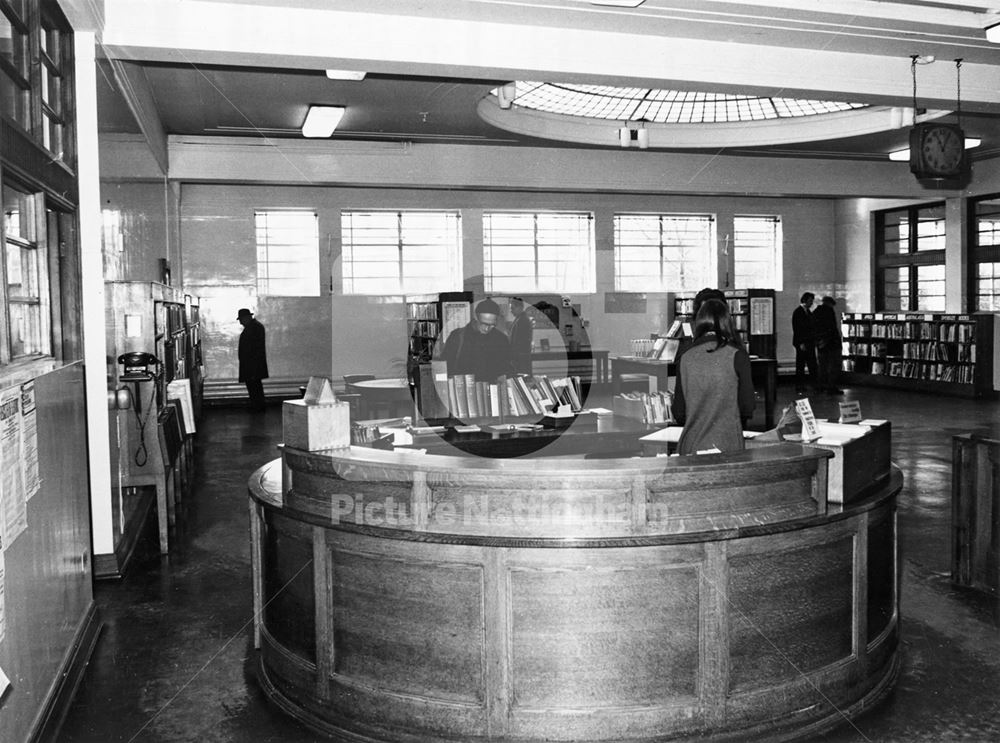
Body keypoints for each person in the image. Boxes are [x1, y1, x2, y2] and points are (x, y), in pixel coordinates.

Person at [672, 298, 755, 456]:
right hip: (727, 446)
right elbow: (747, 407)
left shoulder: (685, 357)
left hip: (690, 446)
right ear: (727, 322)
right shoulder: (738, 356)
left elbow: (679, 411)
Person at [442, 297, 513, 381]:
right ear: (475, 317)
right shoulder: (457, 337)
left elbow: (506, 370)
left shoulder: (501, 339)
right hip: (463, 390)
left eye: (492, 325)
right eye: (484, 324)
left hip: (492, 390)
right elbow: (445, 368)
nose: (487, 329)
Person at [237, 308, 268, 412]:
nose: (240, 322)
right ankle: (257, 405)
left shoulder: (253, 328)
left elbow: (251, 348)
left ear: (246, 318)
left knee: (254, 386)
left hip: (252, 364)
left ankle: (257, 406)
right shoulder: (256, 326)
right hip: (253, 364)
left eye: (241, 319)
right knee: (255, 386)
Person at [813, 295, 843, 394]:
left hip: (821, 344)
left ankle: (820, 386)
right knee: (833, 365)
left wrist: (819, 341)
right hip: (831, 343)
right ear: (830, 304)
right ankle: (831, 387)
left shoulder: (816, 312)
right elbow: (832, 328)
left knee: (822, 366)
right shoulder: (829, 312)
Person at [791, 292, 818, 394]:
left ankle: (805, 385)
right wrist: (801, 342)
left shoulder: (803, 312)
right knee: (803, 365)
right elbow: (797, 328)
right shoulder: (799, 312)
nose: (811, 303)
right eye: (810, 301)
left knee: (808, 364)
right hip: (803, 342)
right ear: (805, 300)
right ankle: (802, 385)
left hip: (807, 342)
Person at [508, 296, 534, 374]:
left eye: (512, 308)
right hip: (520, 358)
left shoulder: (523, 321)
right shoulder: (519, 319)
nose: (511, 311)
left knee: (523, 381)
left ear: (520, 307)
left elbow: (518, 342)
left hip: (520, 359)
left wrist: (512, 357)